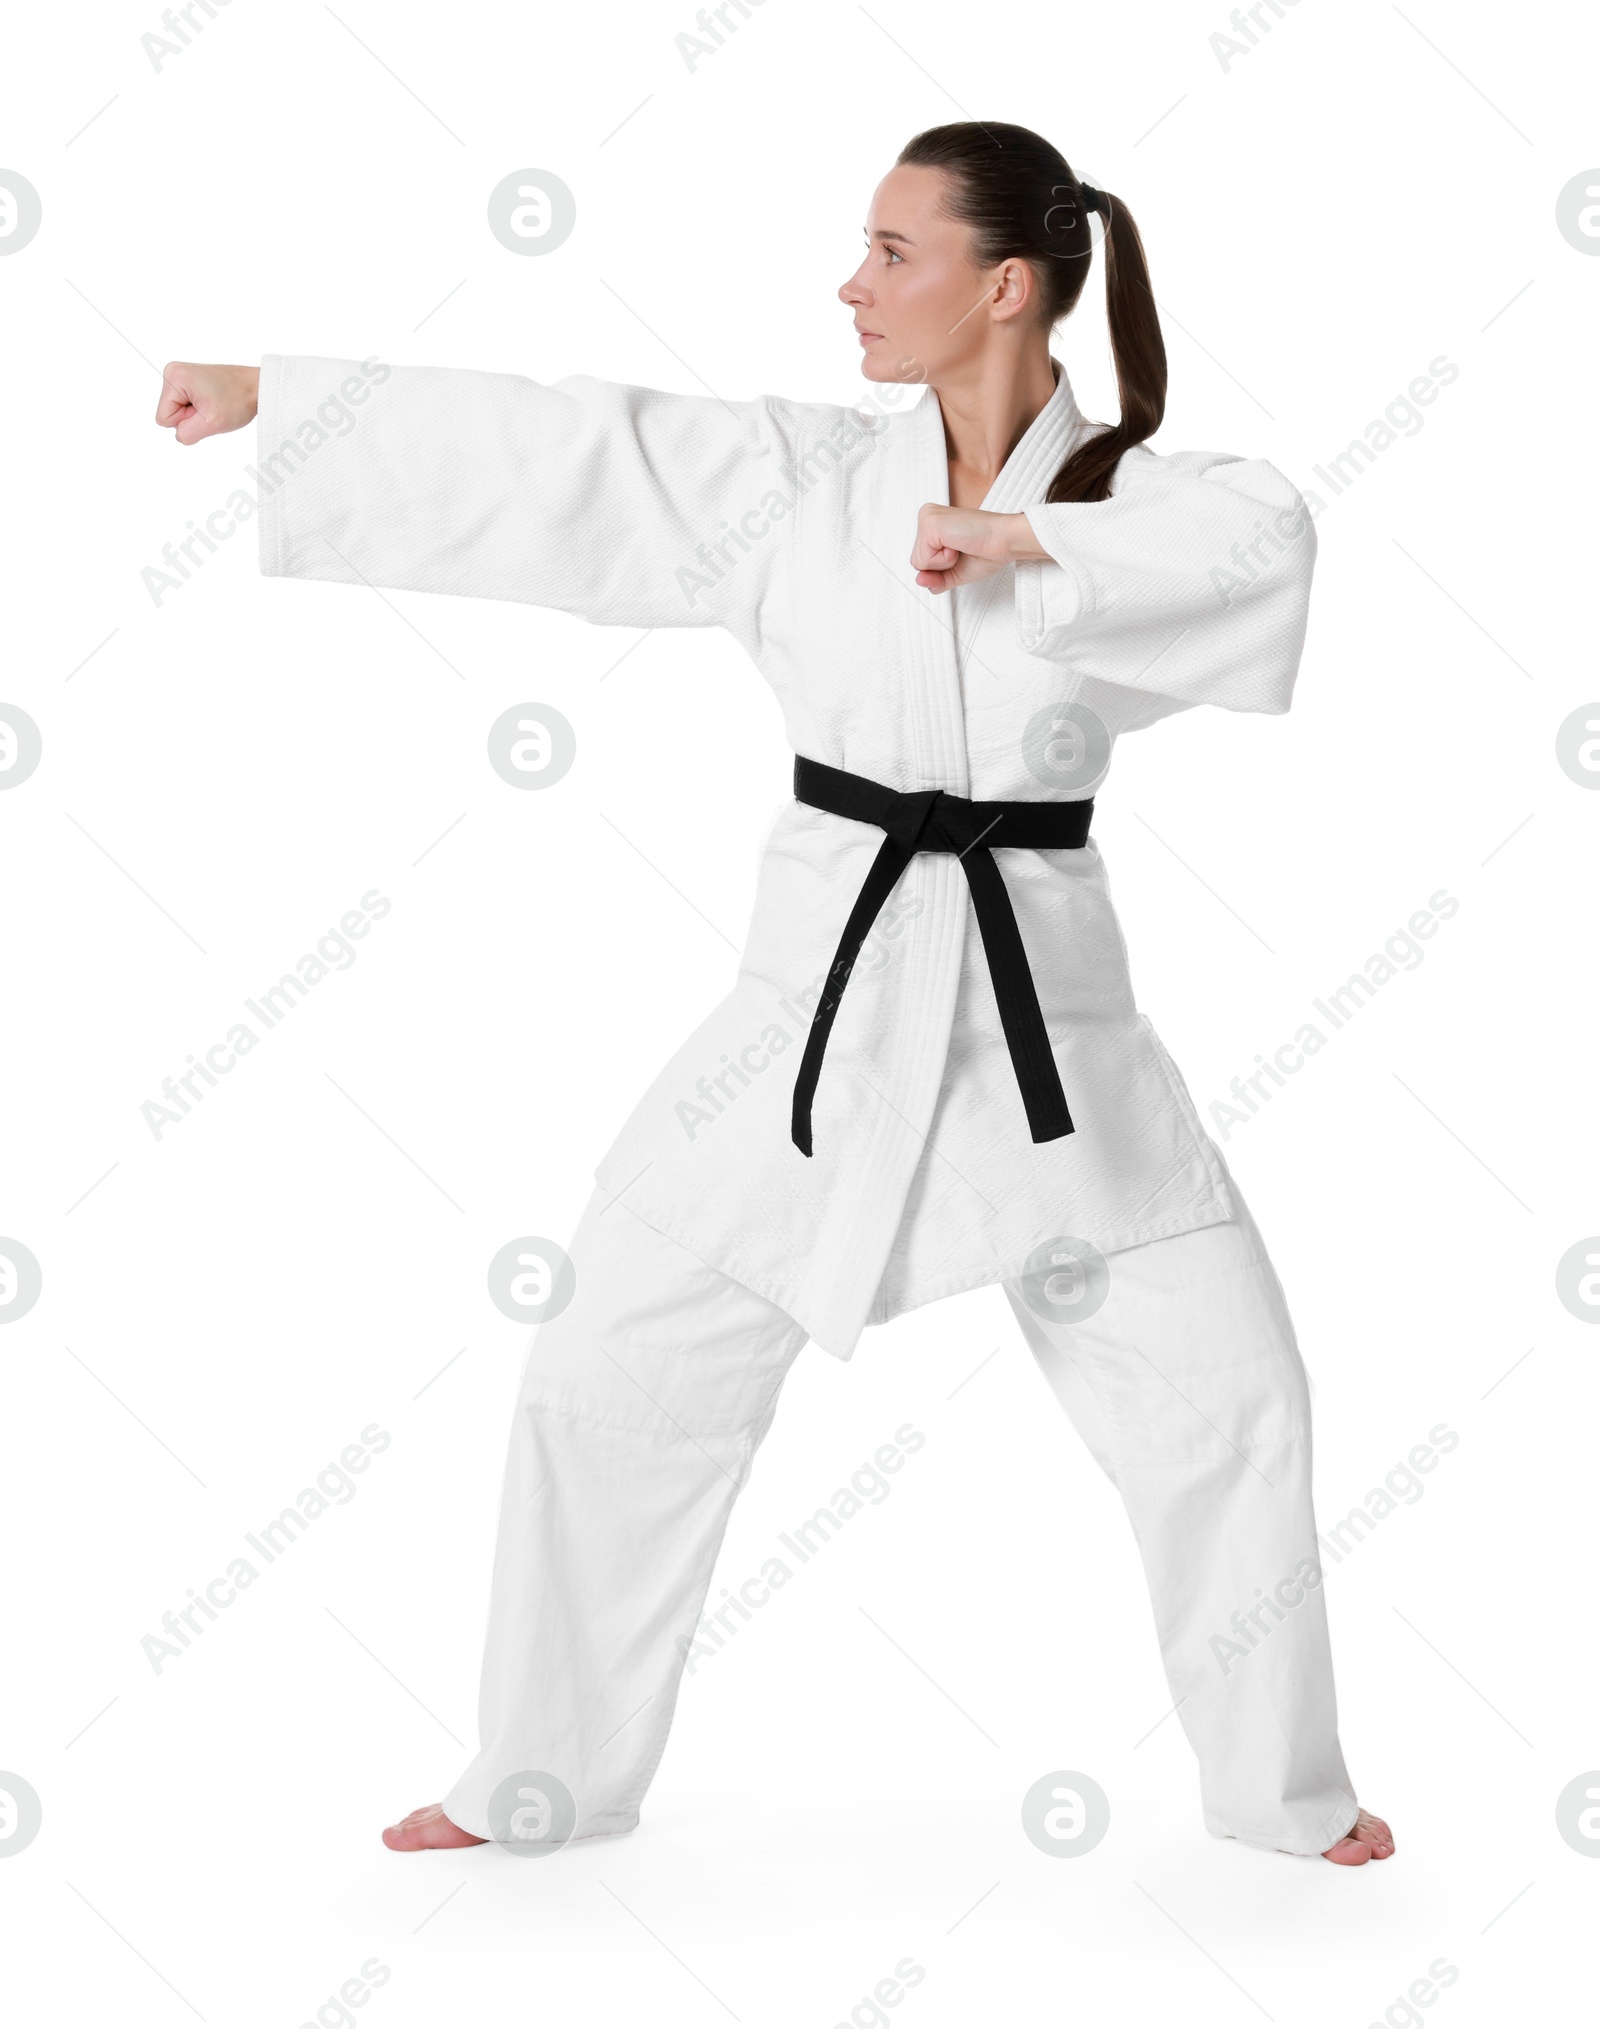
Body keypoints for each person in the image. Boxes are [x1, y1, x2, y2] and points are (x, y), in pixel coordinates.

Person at [155, 121, 1393, 1867]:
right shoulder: (805, 487)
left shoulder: (1131, 501)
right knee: (605, 1367)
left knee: (1235, 1395)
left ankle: (1286, 1796)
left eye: (894, 252)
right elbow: (575, 453)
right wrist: (282, 398)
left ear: (1008, 285)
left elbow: (1264, 544)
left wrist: (1024, 541)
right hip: (806, 1036)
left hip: (1052, 1051)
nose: (853, 283)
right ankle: (541, 1776)